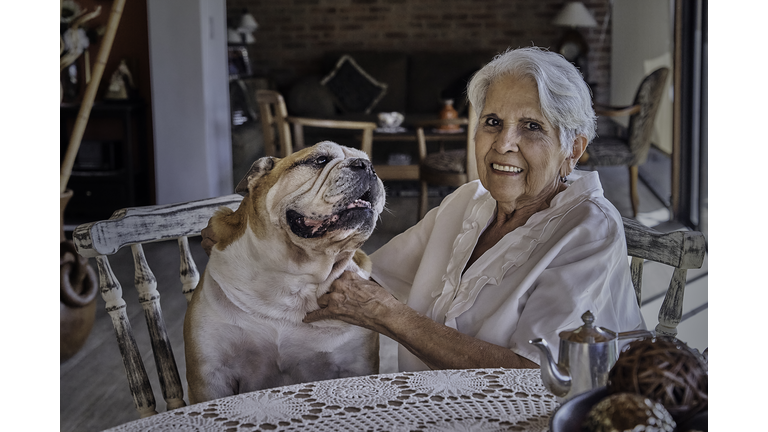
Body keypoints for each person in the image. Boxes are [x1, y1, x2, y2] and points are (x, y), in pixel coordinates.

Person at [203, 47, 645, 372]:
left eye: (531, 127)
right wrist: (246, 242)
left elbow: (538, 377)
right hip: (424, 409)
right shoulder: (467, 202)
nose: (503, 143)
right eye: (492, 122)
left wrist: (389, 316)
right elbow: (363, 280)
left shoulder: (589, 228)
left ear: (574, 150)